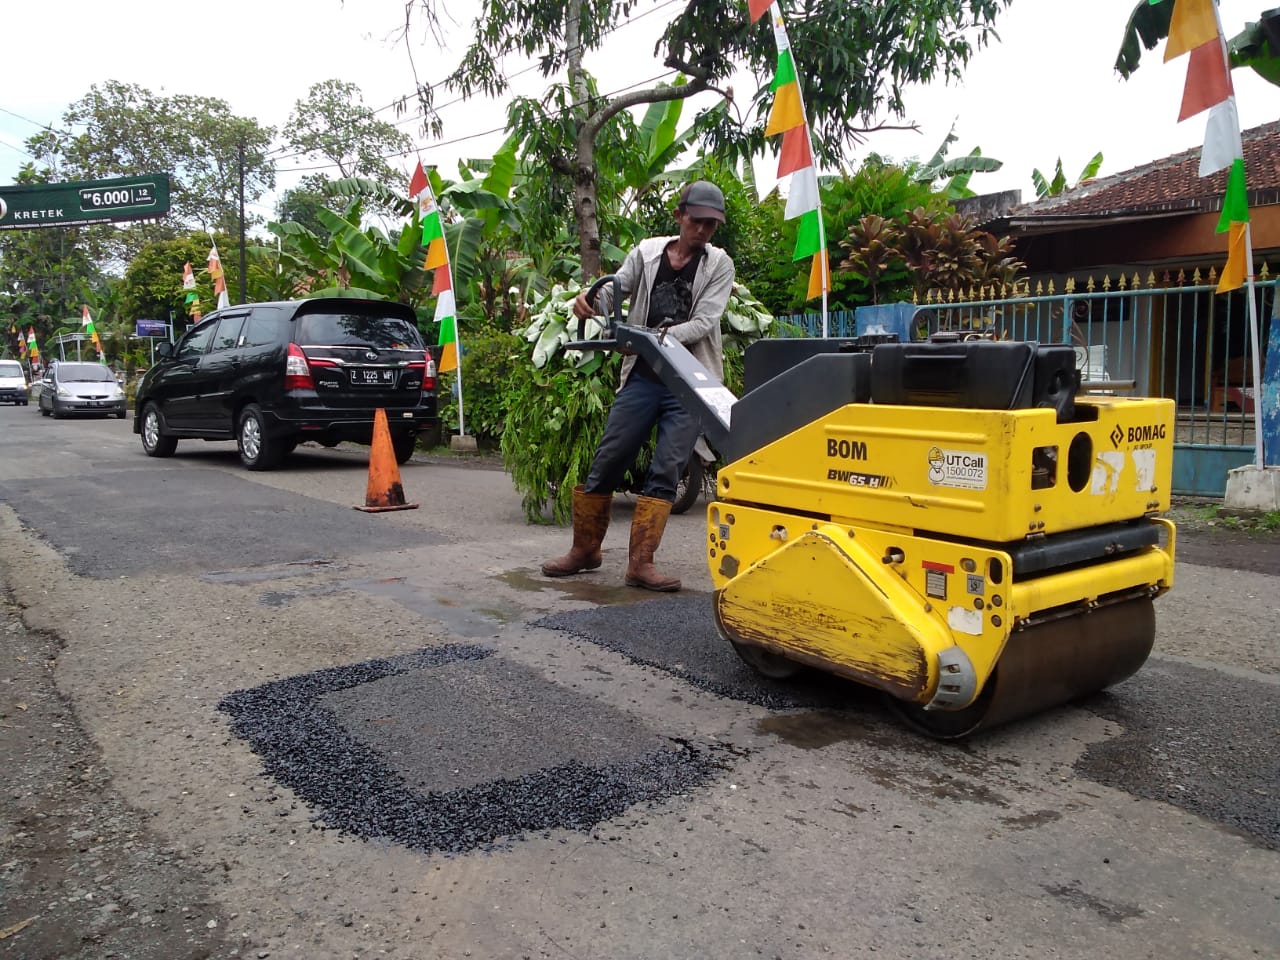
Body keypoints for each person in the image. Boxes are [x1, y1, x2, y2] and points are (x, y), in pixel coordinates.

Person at [542, 180, 735, 592]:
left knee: (666, 468)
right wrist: (591, 301)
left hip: (687, 382)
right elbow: (614, 294)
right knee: (608, 459)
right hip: (643, 377)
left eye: (711, 225)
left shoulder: (719, 265)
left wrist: (655, 338)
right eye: (697, 221)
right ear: (680, 215)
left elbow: (704, 322)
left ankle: (640, 563)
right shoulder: (647, 253)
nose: (703, 230)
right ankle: (585, 551)